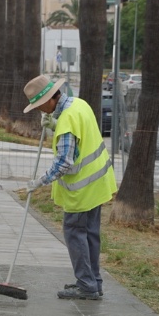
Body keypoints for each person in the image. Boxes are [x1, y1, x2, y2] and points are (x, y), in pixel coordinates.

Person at [22, 74, 117, 300]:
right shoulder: (79, 105)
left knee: (75, 234)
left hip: (81, 192)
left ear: (49, 100)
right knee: (91, 235)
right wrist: (54, 124)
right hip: (97, 185)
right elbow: (80, 138)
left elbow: (64, 162)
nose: (39, 110)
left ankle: (86, 285)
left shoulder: (66, 121)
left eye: (38, 105)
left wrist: (40, 182)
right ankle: (94, 282)